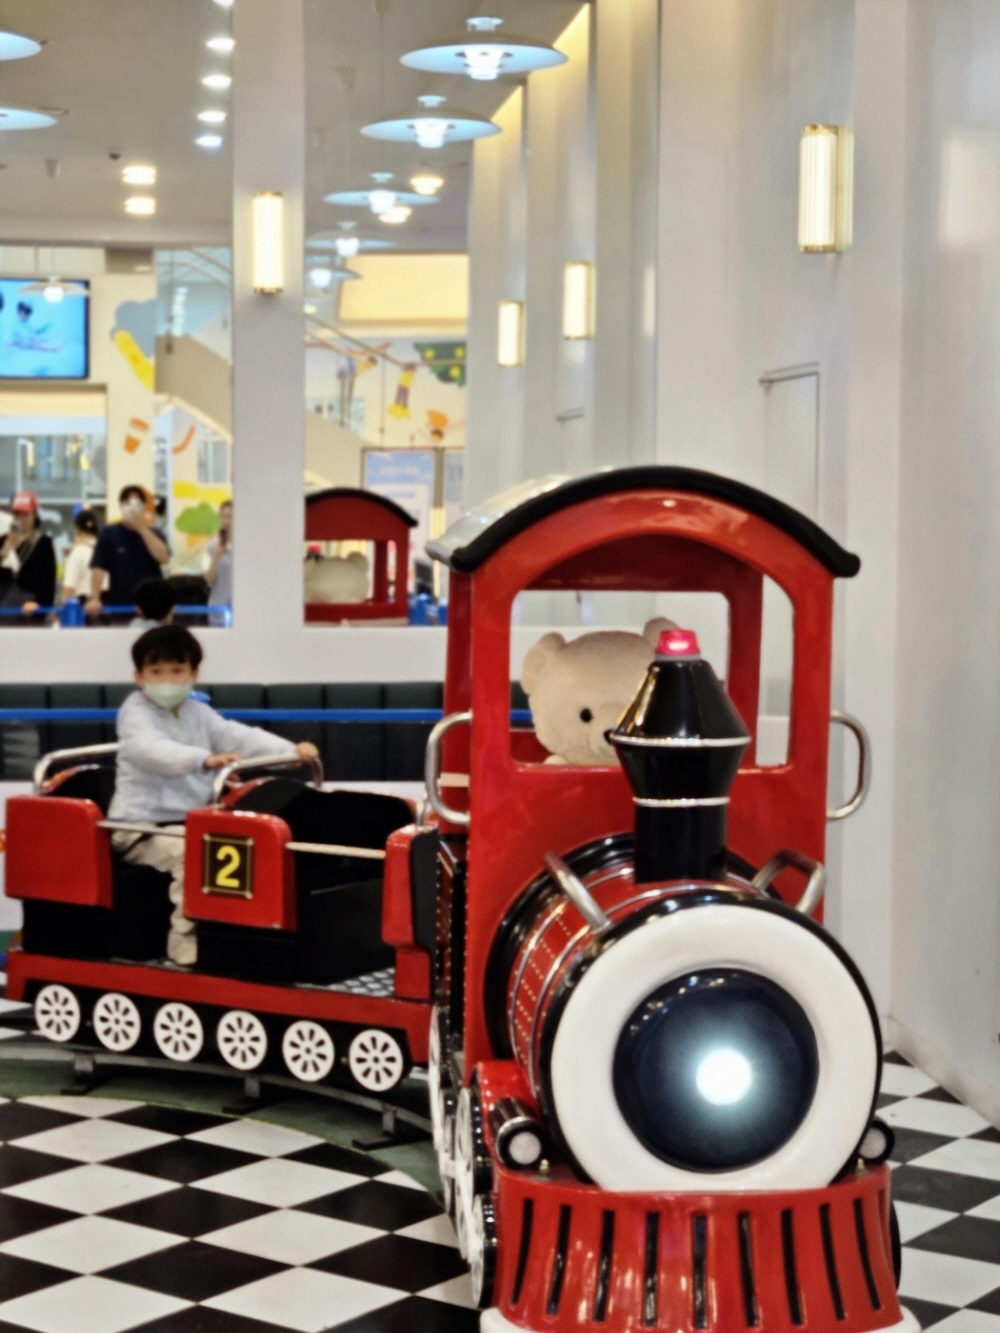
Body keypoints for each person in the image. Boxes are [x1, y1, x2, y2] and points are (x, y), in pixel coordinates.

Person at [109, 625, 319, 966]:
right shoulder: (135, 714)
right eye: (156, 672)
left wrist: (290, 751)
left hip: (191, 821)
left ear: (194, 674)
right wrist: (204, 759)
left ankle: (241, 935)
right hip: (140, 827)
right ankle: (183, 942)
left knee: (246, 842)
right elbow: (151, 750)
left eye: (177, 670)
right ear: (139, 676)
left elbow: (237, 736)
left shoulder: (197, 712)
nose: (167, 680)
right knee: (195, 854)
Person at [86, 485, 169, 619]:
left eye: (136, 504)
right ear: (121, 505)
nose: (131, 508)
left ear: (144, 507)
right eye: (127, 503)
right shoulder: (108, 533)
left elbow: (164, 557)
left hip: (152, 608)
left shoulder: (155, 534)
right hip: (119, 606)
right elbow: (98, 568)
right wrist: (94, 598)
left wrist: (142, 528)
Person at [0, 492, 56, 620]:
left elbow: (48, 580)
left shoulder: (44, 543)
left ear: (34, 515)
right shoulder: (3, 540)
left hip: (30, 606)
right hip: (4, 604)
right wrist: (6, 550)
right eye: (17, 514)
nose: (21, 518)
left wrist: (39, 603)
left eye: (25, 514)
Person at [61, 508, 104, 604]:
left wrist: (61, 608)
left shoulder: (78, 552)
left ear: (77, 528)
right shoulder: (105, 550)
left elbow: (68, 589)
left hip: (84, 606)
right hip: (106, 606)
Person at [204, 500, 233, 612]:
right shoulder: (212, 547)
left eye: (230, 516)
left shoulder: (246, 547)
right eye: (223, 516)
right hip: (218, 605)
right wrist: (216, 555)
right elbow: (209, 580)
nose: (226, 521)